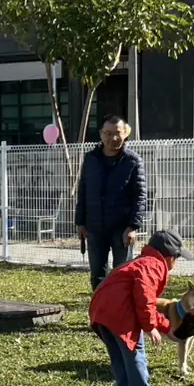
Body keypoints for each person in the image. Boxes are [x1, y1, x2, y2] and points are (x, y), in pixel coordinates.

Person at [87, 228, 183, 386]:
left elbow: (146, 304)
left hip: (101, 310)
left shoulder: (142, 261)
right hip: (119, 313)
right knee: (135, 354)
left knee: (119, 357)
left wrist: (166, 327)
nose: (176, 263)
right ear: (169, 256)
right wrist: (150, 328)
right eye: (177, 258)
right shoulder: (153, 265)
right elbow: (145, 299)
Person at [75, 115, 148, 291]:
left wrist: (132, 227)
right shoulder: (91, 159)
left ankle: (120, 315)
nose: (112, 138)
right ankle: (100, 313)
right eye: (108, 133)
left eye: (117, 133)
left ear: (125, 134)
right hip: (94, 227)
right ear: (100, 134)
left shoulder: (133, 160)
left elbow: (140, 196)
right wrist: (80, 222)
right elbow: (83, 191)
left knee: (122, 275)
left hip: (122, 229)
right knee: (97, 276)